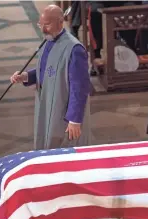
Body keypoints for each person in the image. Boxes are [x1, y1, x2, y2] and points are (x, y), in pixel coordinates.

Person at [10, 4, 91, 150]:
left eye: (47, 24)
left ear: (60, 22)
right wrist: (26, 76)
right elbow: (47, 70)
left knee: (64, 153)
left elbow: (80, 87)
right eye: (40, 24)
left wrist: (75, 119)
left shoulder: (74, 49)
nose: (42, 29)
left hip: (63, 113)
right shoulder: (48, 42)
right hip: (46, 106)